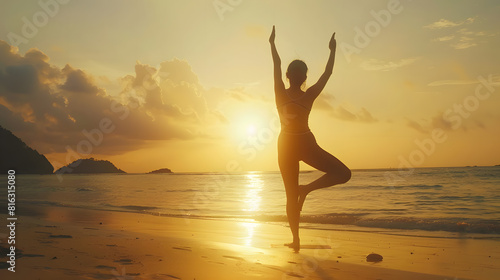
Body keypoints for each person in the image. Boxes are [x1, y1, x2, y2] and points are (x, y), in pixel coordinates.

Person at [269, 26, 351, 252]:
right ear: (289, 75)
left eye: (302, 73)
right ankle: (296, 240)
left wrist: (332, 51)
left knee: (344, 173)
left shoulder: (309, 95)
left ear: (304, 77)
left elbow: (327, 74)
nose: (298, 76)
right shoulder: (279, 92)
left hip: (306, 143)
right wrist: (272, 44)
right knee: (289, 195)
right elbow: (276, 65)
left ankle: (306, 190)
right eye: (294, 72)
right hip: (285, 145)